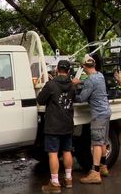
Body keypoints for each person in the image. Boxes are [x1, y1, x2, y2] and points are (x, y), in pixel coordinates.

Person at [37, 60, 76, 193]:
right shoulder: (72, 85)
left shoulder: (51, 85)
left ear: (56, 69)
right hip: (67, 123)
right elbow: (74, 98)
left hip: (54, 125)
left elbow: (40, 100)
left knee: (53, 153)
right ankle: (69, 179)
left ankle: (54, 183)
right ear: (69, 71)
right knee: (67, 151)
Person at [72, 55, 112, 184]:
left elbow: (81, 98)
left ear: (83, 67)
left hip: (98, 115)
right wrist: (80, 82)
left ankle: (95, 173)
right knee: (103, 142)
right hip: (106, 112)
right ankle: (103, 167)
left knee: (96, 143)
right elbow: (91, 81)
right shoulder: (99, 75)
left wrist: (72, 93)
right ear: (94, 65)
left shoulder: (90, 81)